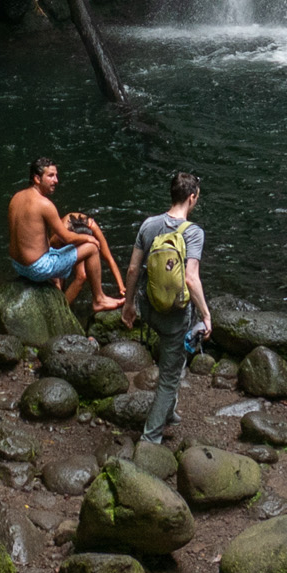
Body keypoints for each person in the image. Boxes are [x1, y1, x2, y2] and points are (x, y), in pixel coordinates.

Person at [122, 171, 213, 442]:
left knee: (172, 360)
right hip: (175, 316)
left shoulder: (149, 225)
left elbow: (133, 268)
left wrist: (128, 305)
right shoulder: (193, 233)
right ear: (192, 198)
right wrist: (207, 316)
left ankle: (169, 412)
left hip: (149, 309)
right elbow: (190, 277)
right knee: (170, 377)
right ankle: (150, 438)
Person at [6, 157, 128, 312]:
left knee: (55, 251)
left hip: (18, 265)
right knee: (91, 248)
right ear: (37, 178)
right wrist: (89, 238)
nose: (56, 180)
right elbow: (67, 238)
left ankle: (59, 300)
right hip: (36, 268)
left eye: (56, 175)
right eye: (50, 176)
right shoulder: (45, 204)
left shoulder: (16, 197)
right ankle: (99, 299)